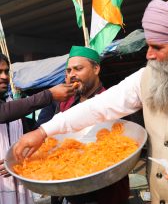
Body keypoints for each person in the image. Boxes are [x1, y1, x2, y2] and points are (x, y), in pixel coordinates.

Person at [14, 0, 168, 204]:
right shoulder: (145, 78)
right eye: (148, 46)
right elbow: (98, 106)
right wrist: (43, 132)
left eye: (157, 47)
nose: (149, 55)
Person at [37, 45, 130, 204]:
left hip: (104, 193)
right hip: (66, 191)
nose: (72, 75)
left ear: (96, 69)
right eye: (68, 71)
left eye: (78, 69)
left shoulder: (113, 102)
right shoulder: (63, 104)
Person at [0, 53, 76, 204]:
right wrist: (49, 95)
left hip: (16, 182)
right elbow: (3, 113)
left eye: (6, 71)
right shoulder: (10, 108)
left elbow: (31, 137)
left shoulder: (12, 104)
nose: (4, 76)